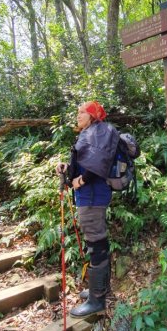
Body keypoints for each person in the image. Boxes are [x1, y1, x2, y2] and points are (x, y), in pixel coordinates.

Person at [56, 100, 117, 318]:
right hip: (90, 196)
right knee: (98, 241)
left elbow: (99, 164)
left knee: (96, 243)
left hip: (92, 196)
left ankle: (97, 301)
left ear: (92, 115)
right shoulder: (92, 133)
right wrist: (67, 168)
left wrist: (80, 181)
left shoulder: (97, 132)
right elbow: (87, 161)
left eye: (82, 111)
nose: (78, 114)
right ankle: (99, 289)